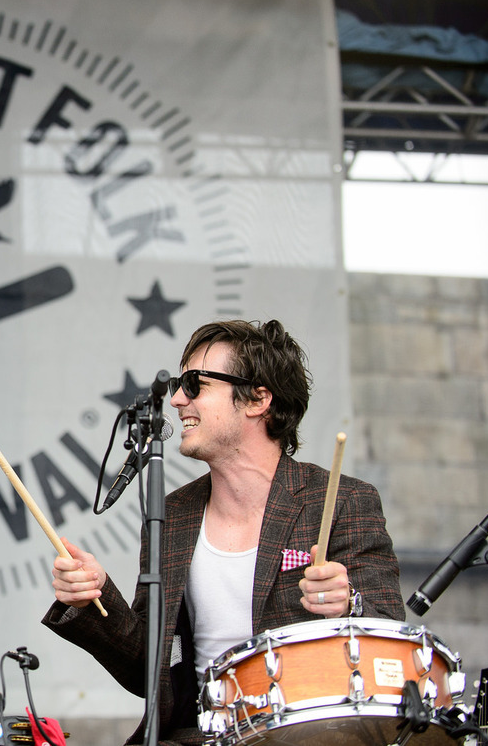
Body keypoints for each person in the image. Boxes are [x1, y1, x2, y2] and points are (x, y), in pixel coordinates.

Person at [43, 319, 404, 746]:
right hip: (198, 736)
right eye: (179, 384)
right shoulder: (173, 514)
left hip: (307, 734)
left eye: (195, 383)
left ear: (257, 398)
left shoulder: (341, 500)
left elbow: (391, 639)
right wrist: (95, 596)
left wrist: (348, 604)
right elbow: (155, 669)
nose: (177, 399)